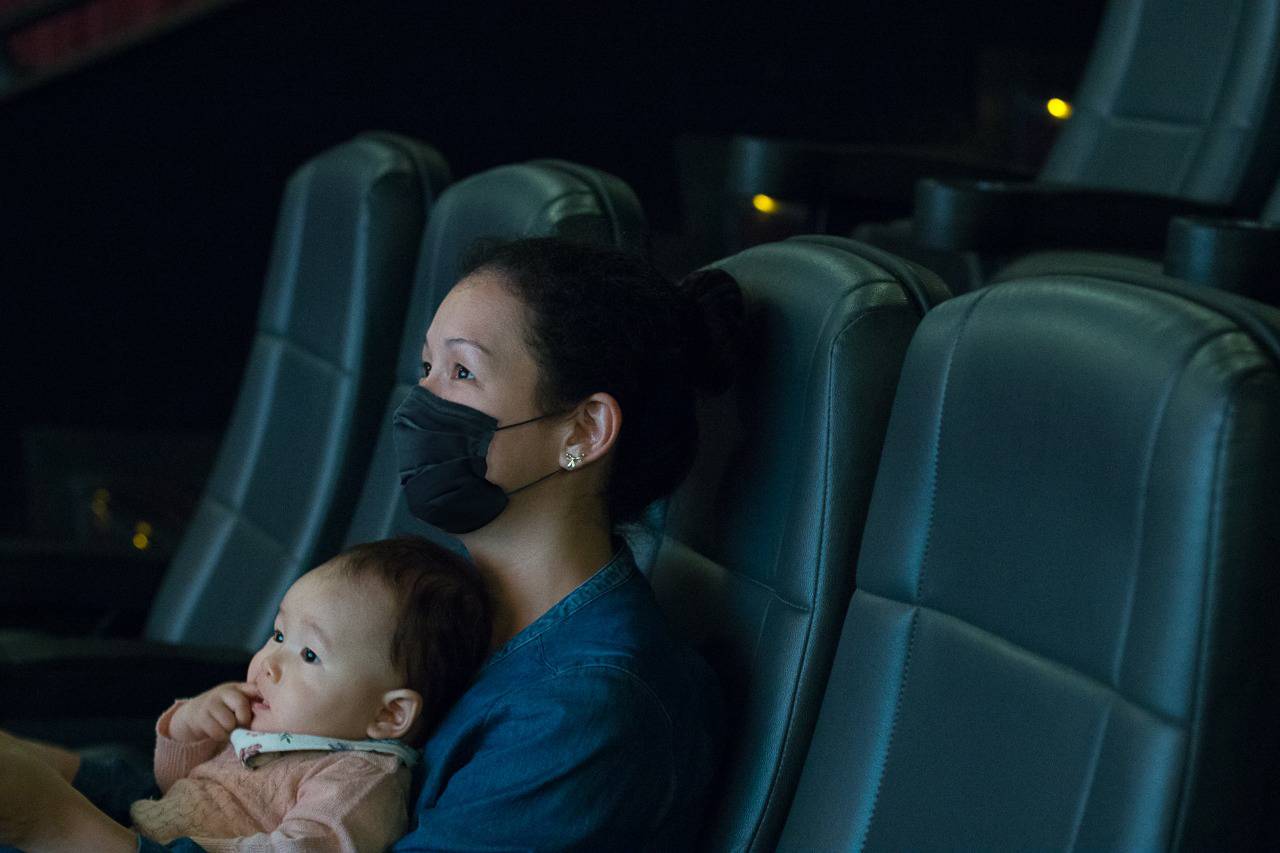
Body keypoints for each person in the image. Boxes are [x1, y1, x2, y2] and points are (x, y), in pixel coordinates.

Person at [2, 237, 742, 852]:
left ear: (583, 430)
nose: (420, 404)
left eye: (461, 371)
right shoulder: (441, 610)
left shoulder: (588, 712)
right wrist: (57, 776)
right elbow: (242, 805)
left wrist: (54, 824)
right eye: (425, 368)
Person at [0, 536, 491, 852]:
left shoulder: (359, 778)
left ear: (389, 715)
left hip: (166, 845)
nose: (270, 663)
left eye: (309, 655)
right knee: (57, 767)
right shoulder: (281, 725)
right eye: (278, 634)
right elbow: (176, 785)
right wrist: (191, 728)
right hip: (151, 811)